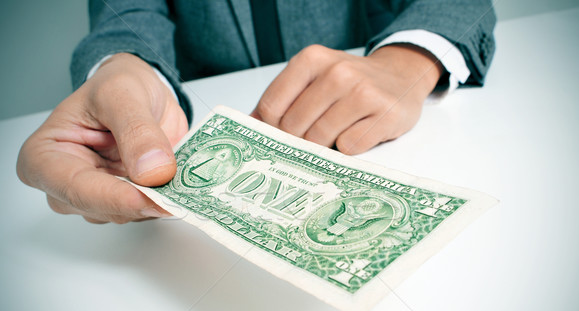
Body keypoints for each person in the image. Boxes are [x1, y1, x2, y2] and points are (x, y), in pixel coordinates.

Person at [16, 0, 496, 224]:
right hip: (197, 118)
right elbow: (124, 16)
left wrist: (408, 59)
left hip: (402, 137)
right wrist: (123, 68)